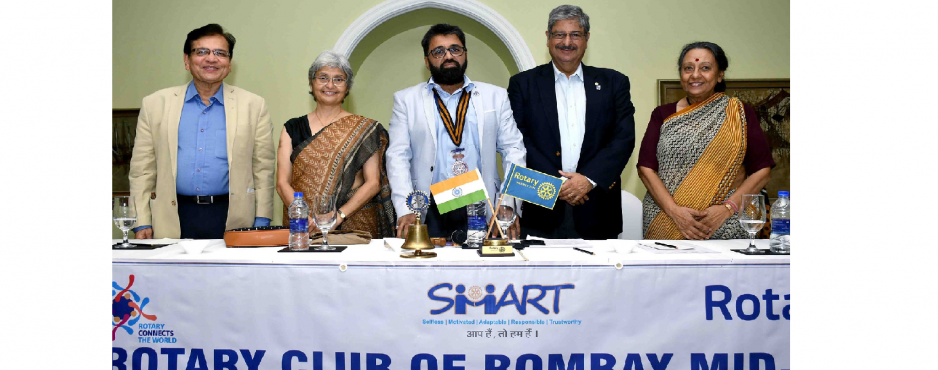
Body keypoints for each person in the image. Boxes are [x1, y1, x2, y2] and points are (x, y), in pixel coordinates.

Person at [129, 24, 275, 239]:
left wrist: (262, 218)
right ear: (187, 60)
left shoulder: (253, 105)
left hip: (234, 217)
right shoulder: (155, 104)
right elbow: (142, 170)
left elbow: (263, 168)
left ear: (229, 63)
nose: (211, 59)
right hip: (171, 216)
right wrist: (141, 222)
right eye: (202, 52)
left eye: (220, 53)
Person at [387, 24, 527, 240]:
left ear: (465, 54)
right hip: (429, 207)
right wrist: (405, 209)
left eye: (455, 49)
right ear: (427, 60)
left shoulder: (495, 96)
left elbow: (514, 151)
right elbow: (397, 156)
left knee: (485, 272)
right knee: (429, 272)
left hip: (484, 205)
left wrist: (509, 204)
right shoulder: (406, 100)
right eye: (438, 51)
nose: (449, 56)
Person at [507, 5, 635, 240]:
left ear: (586, 38)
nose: (567, 42)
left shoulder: (614, 82)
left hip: (597, 207)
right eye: (559, 34)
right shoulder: (522, 84)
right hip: (539, 208)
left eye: (575, 34)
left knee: (601, 277)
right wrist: (558, 185)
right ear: (548, 38)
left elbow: (623, 138)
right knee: (541, 277)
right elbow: (517, 139)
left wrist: (588, 179)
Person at [637, 41, 774, 240]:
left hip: (727, 220)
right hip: (666, 220)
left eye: (705, 68)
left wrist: (727, 209)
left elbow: (762, 170)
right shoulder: (662, 115)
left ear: (720, 75)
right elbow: (645, 168)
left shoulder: (739, 112)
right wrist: (675, 212)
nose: (695, 75)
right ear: (681, 75)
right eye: (688, 68)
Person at [275, 50, 396, 238]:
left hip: (353, 223)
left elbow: (373, 183)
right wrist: (304, 217)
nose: (330, 85)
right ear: (311, 82)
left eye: (339, 79)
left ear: (347, 87)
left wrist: (337, 217)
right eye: (323, 77)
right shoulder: (292, 128)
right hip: (304, 227)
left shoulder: (365, 129)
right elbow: (282, 183)